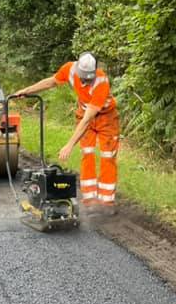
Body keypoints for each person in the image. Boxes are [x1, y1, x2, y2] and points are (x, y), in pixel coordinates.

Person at [13, 52, 119, 210]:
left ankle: (106, 202)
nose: (85, 81)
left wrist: (69, 145)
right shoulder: (69, 69)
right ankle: (90, 200)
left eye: (88, 79)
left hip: (106, 118)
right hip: (84, 113)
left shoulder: (101, 81)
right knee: (87, 153)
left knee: (107, 156)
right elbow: (51, 82)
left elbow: (87, 120)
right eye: (83, 77)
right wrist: (27, 91)